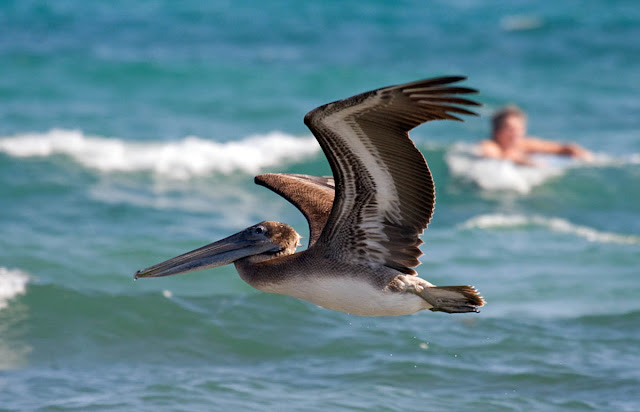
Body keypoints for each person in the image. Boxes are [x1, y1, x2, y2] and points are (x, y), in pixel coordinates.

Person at [479, 105, 593, 166]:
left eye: (519, 128)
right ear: (497, 130)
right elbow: (494, 158)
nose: (515, 133)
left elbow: (561, 148)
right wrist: (524, 162)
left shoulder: (524, 144)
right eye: (509, 128)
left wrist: (577, 152)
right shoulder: (490, 145)